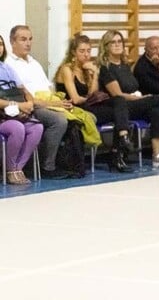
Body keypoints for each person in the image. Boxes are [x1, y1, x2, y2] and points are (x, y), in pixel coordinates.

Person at [97, 30, 159, 169]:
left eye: (119, 41)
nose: (117, 45)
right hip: (122, 107)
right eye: (113, 42)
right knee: (156, 100)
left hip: (135, 102)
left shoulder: (125, 65)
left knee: (156, 110)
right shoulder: (106, 68)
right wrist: (142, 98)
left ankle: (157, 156)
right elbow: (117, 94)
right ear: (106, 46)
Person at [54, 34, 135, 172]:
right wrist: (90, 98)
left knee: (119, 103)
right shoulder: (67, 69)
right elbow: (75, 99)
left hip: (88, 105)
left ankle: (121, 143)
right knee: (118, 111)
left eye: (88, 51)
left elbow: (92, 94)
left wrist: (95, 74)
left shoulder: (86, 69)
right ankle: (119, 150)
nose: (86, 55)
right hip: (75, 109)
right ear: (73, 52)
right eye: (82, 51)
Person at [5, 25, 70, 179]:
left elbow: (49, 88)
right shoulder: (9, 64)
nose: (28, 43)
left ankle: (72, 163)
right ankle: (47, 166)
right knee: (59, 121)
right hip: (31, 107)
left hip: (48, 101)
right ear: (12, 42)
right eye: (23, 39)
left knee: (83, 117)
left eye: (30, 39)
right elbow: (26, 98)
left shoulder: (34, 62)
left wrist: (60, 102)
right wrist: (55, 106)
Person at [0, 34, 43, 185]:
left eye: (0, 44)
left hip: (15, 112)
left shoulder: (7, 68)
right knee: (17, 128)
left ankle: (18, 167)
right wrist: (18, 106)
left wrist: (30, 103)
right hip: (2, 116)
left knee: (37, 127)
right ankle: (10, 169)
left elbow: (24, 90)